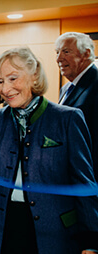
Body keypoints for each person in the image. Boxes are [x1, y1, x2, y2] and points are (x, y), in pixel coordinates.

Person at [0, 47, 98, 254]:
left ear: (34, 76)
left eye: (13, 78)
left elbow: (85, 185)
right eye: (0, 81)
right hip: (2, 227)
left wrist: (91, 243)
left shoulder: (67, 119)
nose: (6, 88)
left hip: (54, 234)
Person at [56, 32, 98, 178]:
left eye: (66, 52)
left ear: (86, 54)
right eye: (57, 52)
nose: (59, 58)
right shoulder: (66, 89)